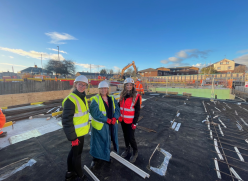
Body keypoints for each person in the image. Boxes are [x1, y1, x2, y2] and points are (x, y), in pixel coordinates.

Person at [62, 75, 90, 181]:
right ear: (75, 84)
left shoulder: (82, 97)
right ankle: (80, 174)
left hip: (80, 132)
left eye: (84, 85)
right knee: (77, 155)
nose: (82, 87)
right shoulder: (71, 100)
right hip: (76, 134)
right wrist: (73, 138)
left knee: (73, 153)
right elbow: (66, 121)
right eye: (80, 84)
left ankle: (70, 173)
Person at [89, 81, 120, 169]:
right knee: (97, 142)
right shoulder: (95, 99)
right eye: (102, 88)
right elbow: (95, 113)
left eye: (105, 88)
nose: (104, 90)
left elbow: (117, 110)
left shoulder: (112, 98)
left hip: (111, 125)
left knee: (107, 141)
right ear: (99, 89)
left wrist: (115, 118)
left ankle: (105, 156)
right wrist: (107, 120)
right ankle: (95, 159)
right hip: (100, 126)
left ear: (107, 89)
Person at [119, 77, 141, 163]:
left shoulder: (136, 96)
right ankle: (127, 149)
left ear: (133, 86)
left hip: (131, 122)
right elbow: (119, 105)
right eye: (127, 85)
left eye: (130, 85)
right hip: (123, 121)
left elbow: (137, 111)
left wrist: (135, 123)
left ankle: (135, 152)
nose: (128, 86)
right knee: (125, 136)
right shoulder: (122, 95)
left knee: (131, 137)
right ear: (124, 86)